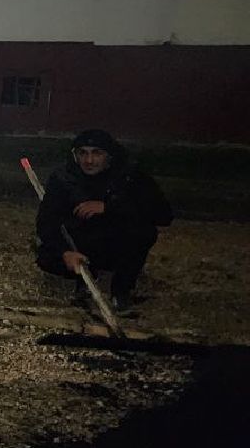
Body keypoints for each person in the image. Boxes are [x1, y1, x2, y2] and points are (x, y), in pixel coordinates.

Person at [34, 128, 173, 312]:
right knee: (45, 255)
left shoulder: (130, 177)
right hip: (79, 243)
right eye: (83, 153)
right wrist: (64, 252)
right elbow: (46, 220)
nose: (89, 160)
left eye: (96, 153)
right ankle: (83, 280)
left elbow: (163, 214)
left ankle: (121, 289)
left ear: (109, 156)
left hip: (115, 242)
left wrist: (109, 207)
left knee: (143, 231)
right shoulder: (64, 178)